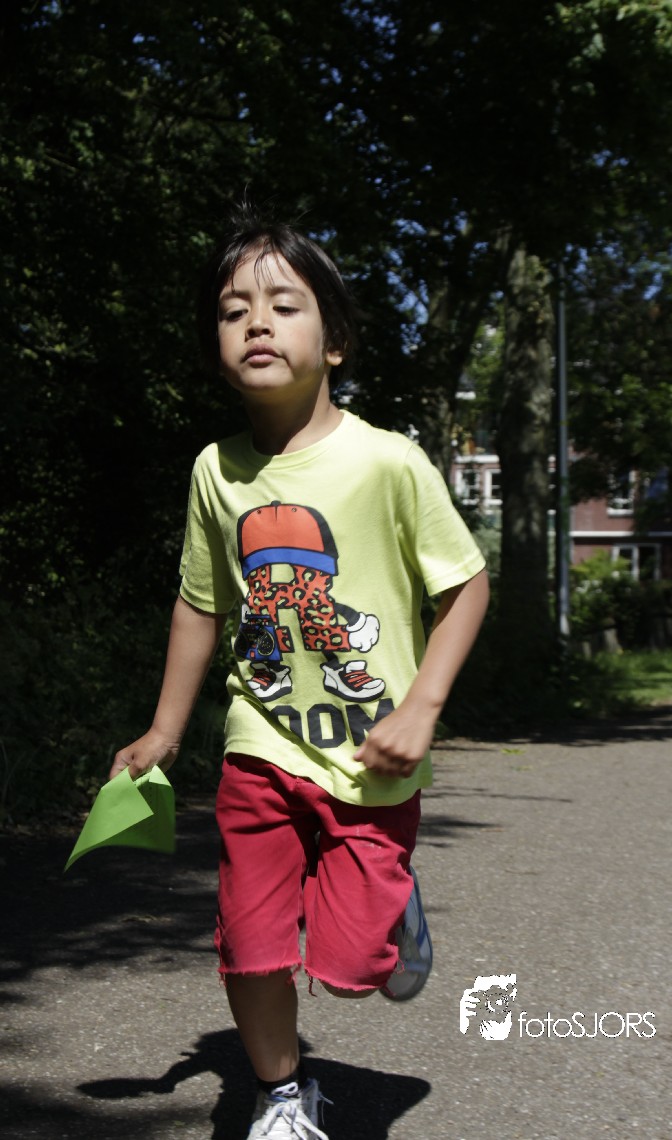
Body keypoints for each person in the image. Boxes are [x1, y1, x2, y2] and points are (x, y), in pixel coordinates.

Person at [109, 200, 489, 1140]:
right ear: (217, 348)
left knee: (351, 970)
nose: (257, 324)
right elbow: (201, 604)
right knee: (250, 942)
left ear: (336, 342)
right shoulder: (216, 471)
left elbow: (466, 584)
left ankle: (391, 911)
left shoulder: (387, 462)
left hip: (370, 759)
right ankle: (282, 1094)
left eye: (283, 306)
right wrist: (165, 728)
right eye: (234, 311)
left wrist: (423, 707)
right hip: (260, 744)